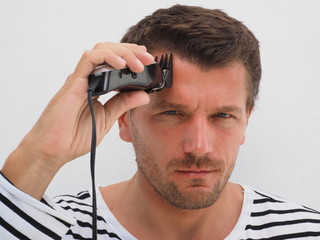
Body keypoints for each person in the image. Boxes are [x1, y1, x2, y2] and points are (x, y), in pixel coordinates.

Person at [1, 4, 320, 240]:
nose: (199, 147)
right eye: (172, 113)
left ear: (245, 121)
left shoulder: (306, 232)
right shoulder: (50, 226)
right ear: (124, 119)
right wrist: (41, 155)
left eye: (222, 116)